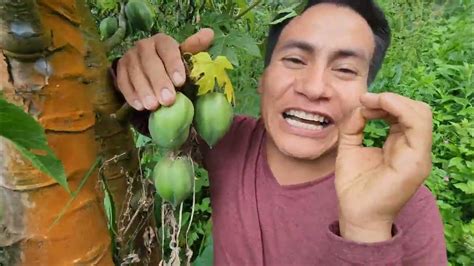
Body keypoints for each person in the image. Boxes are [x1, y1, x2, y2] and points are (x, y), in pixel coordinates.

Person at [115, 0, 447, 264]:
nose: (315, 88)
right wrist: (138, 71)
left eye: (345, 69)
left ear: (368, 93)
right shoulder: (228, 139)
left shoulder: (405, 204)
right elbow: (131, 107)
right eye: (294, 60)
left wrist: (367, 227)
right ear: (263, 79)